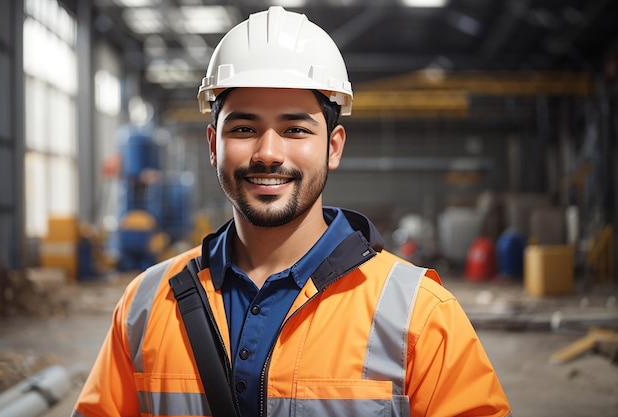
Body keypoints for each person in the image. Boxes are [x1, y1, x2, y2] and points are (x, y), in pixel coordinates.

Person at [72, 6, 511, 417]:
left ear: (333, 147)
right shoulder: (146, 305)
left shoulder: (419, 314)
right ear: (213, 145)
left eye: (295, 129)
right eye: (243, 128)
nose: (267, 153)